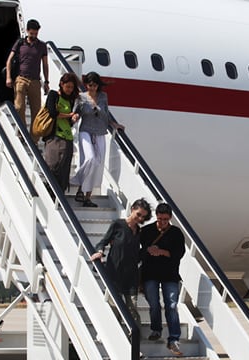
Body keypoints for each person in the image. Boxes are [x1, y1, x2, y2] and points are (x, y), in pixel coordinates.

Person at [89, 198, 152, 328]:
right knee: (115, 308)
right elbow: (103, 241)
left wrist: (148, 251)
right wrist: (100, 252)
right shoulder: (118, 225)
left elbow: (137, 255)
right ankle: (115, 336)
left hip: (131, 275)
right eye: (138, 214)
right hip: (115, 273)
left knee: (132, 309)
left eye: (143, 217)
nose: (139, 219)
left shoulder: (139, 232)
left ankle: (135, 339)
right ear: (132, 209)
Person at [70, 72, 124, 207]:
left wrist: (114, 124)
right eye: (89, 85)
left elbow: (106, 113)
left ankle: (86, 195)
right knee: (90, 158)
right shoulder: (81, 97)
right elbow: (75, 112)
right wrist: (75, 117)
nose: (92, 88)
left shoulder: (103, 96)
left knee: (98, 164)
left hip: (100, 131)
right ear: (86, 85)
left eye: (94, 85)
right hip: (86, 131)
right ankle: (77, 181)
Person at [140, 203, 186, 356]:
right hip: (150, 273)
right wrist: (148, 250)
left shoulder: (176, 233)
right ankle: (156, 329)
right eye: (160, 219)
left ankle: (173, 339)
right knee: (153, 304)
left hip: (170, 274)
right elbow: (139, 251)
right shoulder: (146, 231)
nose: (162, 222)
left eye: (165, 219)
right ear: (156, 217)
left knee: (171, 305)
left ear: (170, 218)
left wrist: (161, 252)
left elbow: (178, 253)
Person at [5, 19, 50, 127]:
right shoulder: (20, 43)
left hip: (35, 80)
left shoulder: (41, 46)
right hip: (21, 78)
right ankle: (22, 131)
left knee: (36, 110)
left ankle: (33, 138)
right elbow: (9, 60)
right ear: (27, 31)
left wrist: (46, 81)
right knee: (19, 107)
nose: (34, 35)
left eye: (36, 33)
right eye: (31, 33)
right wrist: (8, 77)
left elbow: (45, 64)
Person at [43, 73, 80, 192]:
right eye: (67, 87)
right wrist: (69, 115)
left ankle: (60, 192)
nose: (69, 90)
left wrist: (73, 118)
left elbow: (69, 121)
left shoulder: (71, 100)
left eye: (72, 87)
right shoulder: (54, 95)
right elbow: (52, 113)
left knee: (64, 167)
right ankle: (50, 190)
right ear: (61, 84)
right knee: (52, 164)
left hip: (67, 136)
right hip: (54, 136)